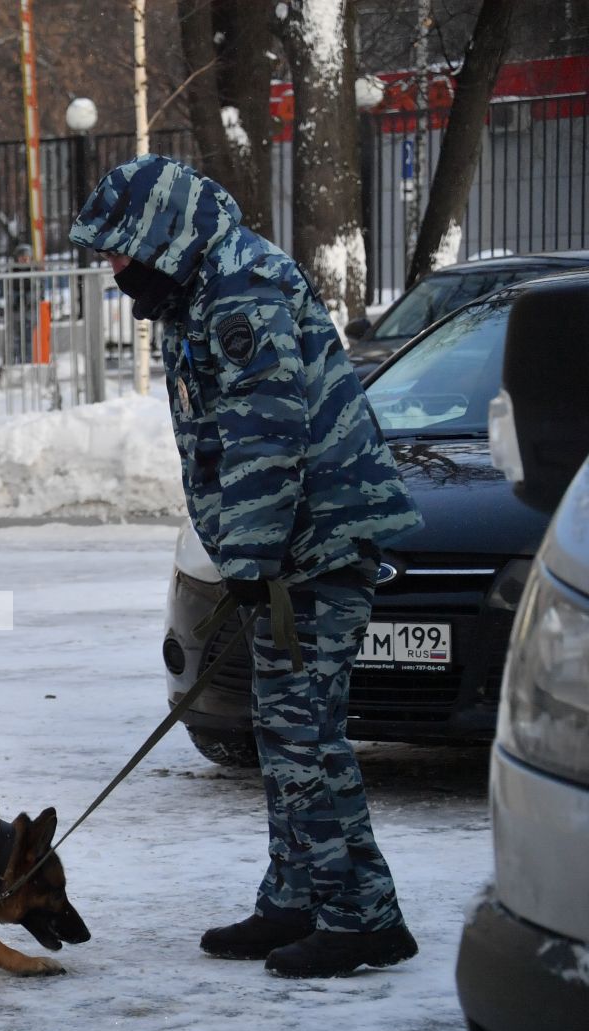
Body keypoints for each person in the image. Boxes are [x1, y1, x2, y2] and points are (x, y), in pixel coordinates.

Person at [70, 155, 425, 979]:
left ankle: (363, 915)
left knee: (305, 733)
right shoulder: (196, 290)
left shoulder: (241, 288)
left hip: (315, 547)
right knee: (281, 726)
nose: (116, 267)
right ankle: (296, 899)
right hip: (283, 551)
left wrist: (253, 559)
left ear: (159, 233)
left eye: (120, 250)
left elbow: (268, 435)